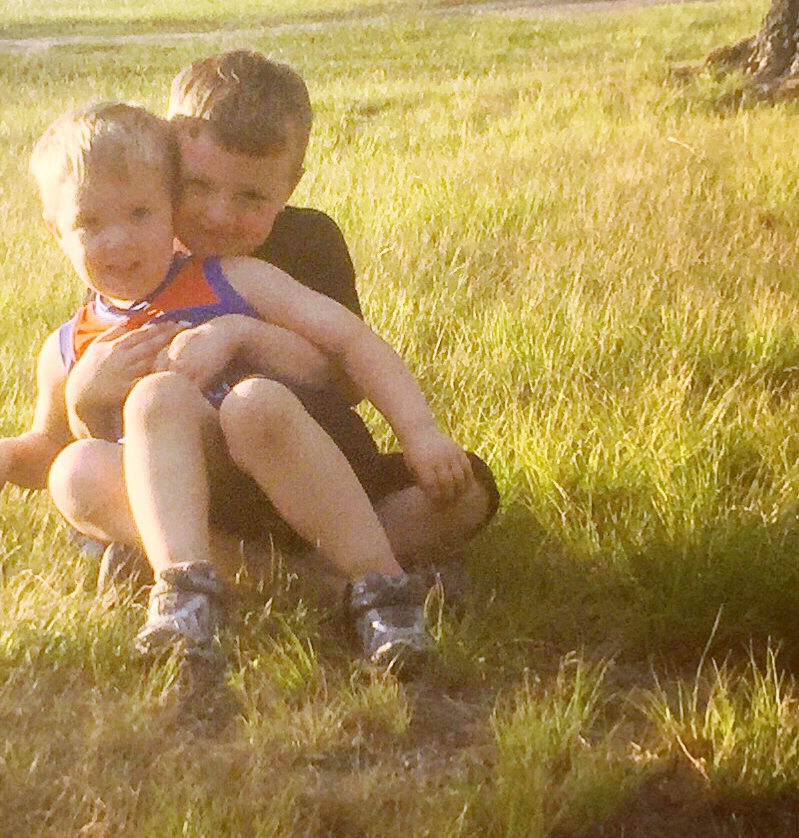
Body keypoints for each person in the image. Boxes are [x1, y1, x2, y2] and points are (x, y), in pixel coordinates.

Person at [0, 102, 479, 672]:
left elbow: (351, 341)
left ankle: (382, 588)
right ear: (55, 230)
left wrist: (420, 433)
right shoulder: (67, 347)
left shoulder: (232, 279)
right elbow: (51, 444)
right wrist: (5, 455)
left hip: (291, 473)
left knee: (253, 403)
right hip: (198, 519)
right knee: (73, 473)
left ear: (173, 210)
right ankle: (199, 593)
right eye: (90, 223)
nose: (118, 241)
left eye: (140, 214)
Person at [58, 51, 499, 586]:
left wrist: (239, 333)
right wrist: (82, 393)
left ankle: (249, 573)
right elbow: (105, 422)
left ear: (290, 185)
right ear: (168, 167)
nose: (219, 215)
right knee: (78, 475)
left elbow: (345, 377)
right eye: (198, 186)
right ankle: (332, 583)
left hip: (324, 470)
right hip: (197, 486)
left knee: (467, 491)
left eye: (251, 196)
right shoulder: (136, 251)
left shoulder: (308, 240)